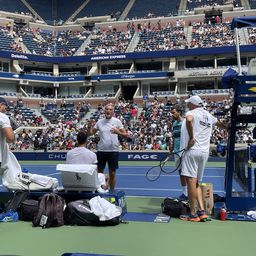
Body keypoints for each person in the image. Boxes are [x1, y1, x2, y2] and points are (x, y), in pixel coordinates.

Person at [179, 95, 227, 222]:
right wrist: (228, 127)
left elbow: (189, 120)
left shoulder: (191, 112)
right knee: (197, 183)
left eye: (189, 103)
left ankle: (193, 214)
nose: (187, 105)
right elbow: (220, 124)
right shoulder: (208, 115)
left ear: (193, 104)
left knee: (191, 182)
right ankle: (202, 211)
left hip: (192, 151)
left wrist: (191, 137)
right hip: (204, 153)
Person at [87, 103, 127, 194]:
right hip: (101, 151)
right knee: (99, 174)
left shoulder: (117, 121)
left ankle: (112, 193)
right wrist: (89, 126)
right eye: (107, 109)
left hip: (113, 151)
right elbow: (90, 133)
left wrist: (117, 132)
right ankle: (100, 192)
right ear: (104, 111)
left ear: (113, 111)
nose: (108, 111)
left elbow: (125, 135)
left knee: (112, 174)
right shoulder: (99, 122)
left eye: (110, 109)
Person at [170, 105, 188, 200]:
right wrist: (171, 150)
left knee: (188, 173)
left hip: (185, 151)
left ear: (179, 112)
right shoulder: (174, 124)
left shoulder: (185, 123)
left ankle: (191, 193)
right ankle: (185, 193)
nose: (172, 114)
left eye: (173, 112)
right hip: (176, 152)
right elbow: (174, 138)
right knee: (181, 172)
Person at [0, 97, 15, 168]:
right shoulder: (2, 116)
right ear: (1, 104)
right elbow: (10, 138)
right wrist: (7, 140)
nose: (6, 108)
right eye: (5, 105)